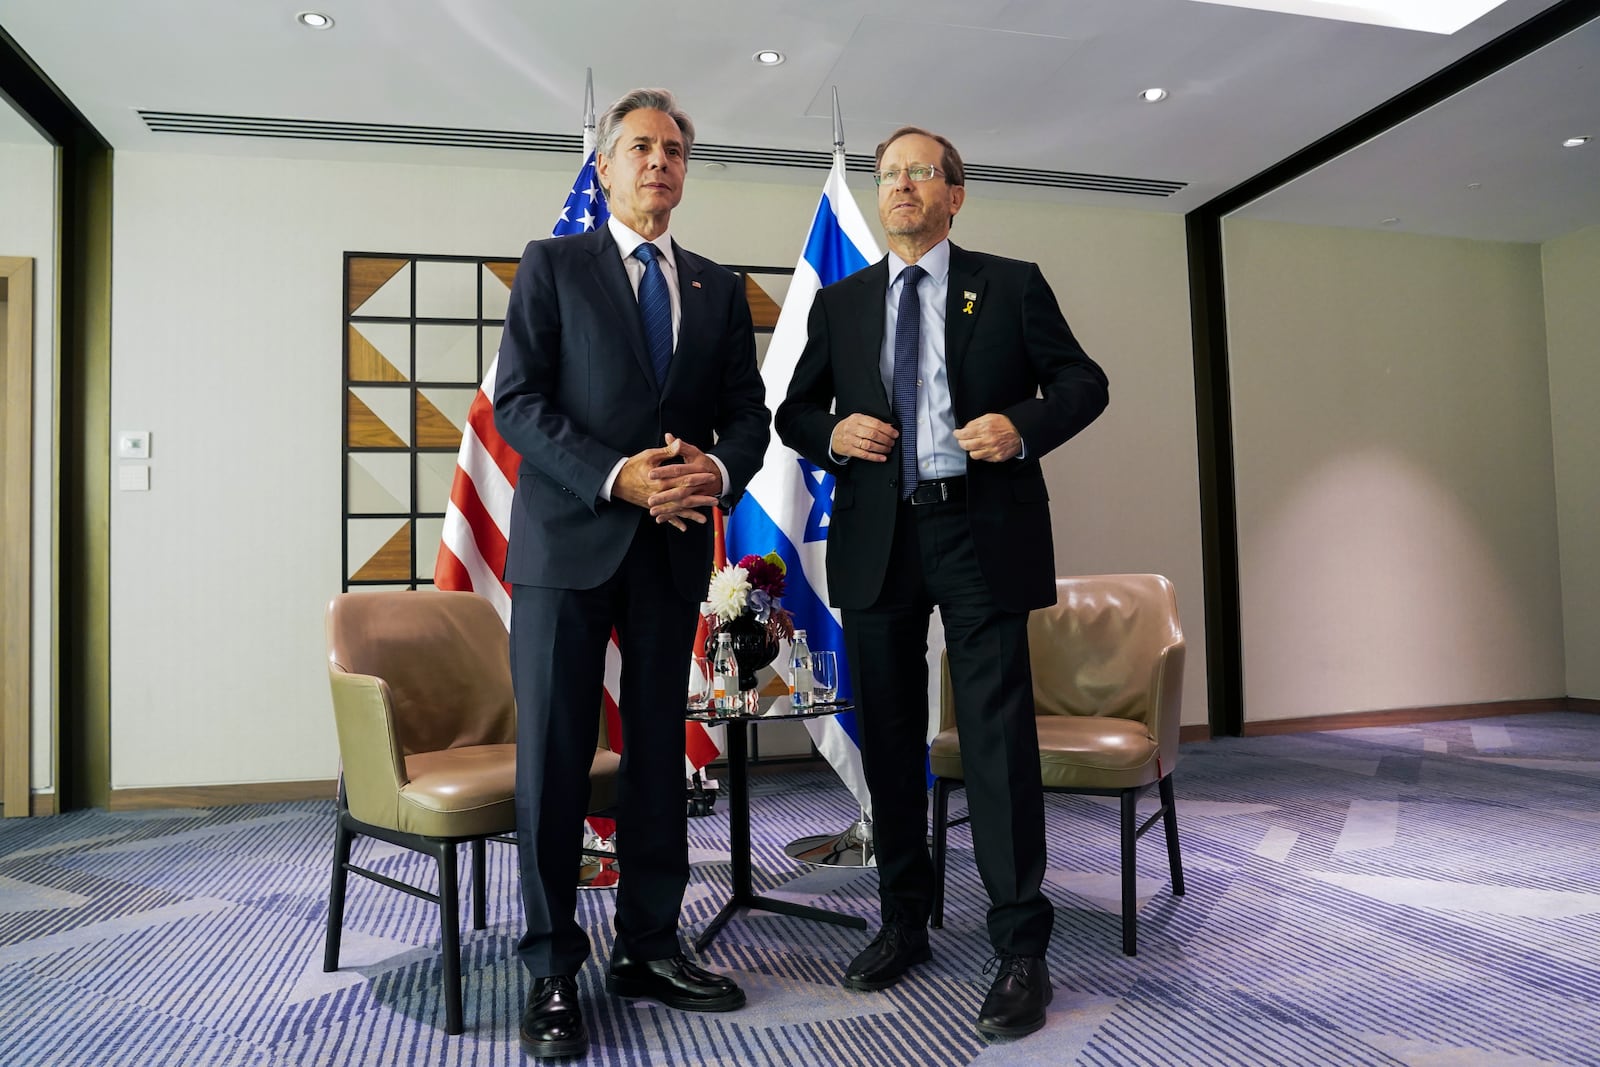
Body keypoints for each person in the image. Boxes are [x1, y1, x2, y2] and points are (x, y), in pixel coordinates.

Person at [775, 125, 1109, 1039]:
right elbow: (795, 409)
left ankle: (1019, 943)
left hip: (979, 527)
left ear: (955, 194)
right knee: (887, 733)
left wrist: (1023, 425)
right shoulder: (842, 303)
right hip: (881, 534)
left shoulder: (1010, 283)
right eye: (889, 176)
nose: (901, 187)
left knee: (996, 737)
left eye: (920, 173)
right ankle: (902, 918)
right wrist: (832, 434)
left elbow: (1085, 381)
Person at [494, 88, 770, 1059]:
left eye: (673, 150)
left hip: (671, 549)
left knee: (660, 756)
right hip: (567, 547)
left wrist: (719, 468)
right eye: (640, 147)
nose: (659, 162)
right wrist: (617, 476)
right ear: (604, 167)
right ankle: (551, 966)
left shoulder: (716, 286)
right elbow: (517, 404)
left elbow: (748, 412)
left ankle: (648, 944)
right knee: (557, 760)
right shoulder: (552, 263)